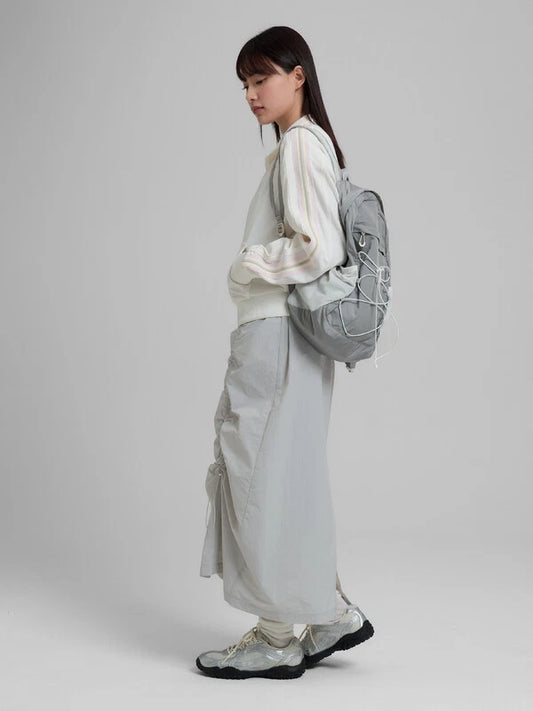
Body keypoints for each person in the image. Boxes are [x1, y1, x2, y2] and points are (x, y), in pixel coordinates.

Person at [196, 25, 374, 680]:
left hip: (274, 334)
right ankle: (327, 613)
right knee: (286, 476)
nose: (251, 93)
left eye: (261, 77)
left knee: (257, 478)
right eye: (244, 83)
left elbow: (315, 247)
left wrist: (246, 265)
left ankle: (276, 636)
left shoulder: (299, 144)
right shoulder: (309, 143)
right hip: (293, 339)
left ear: (298, 76)